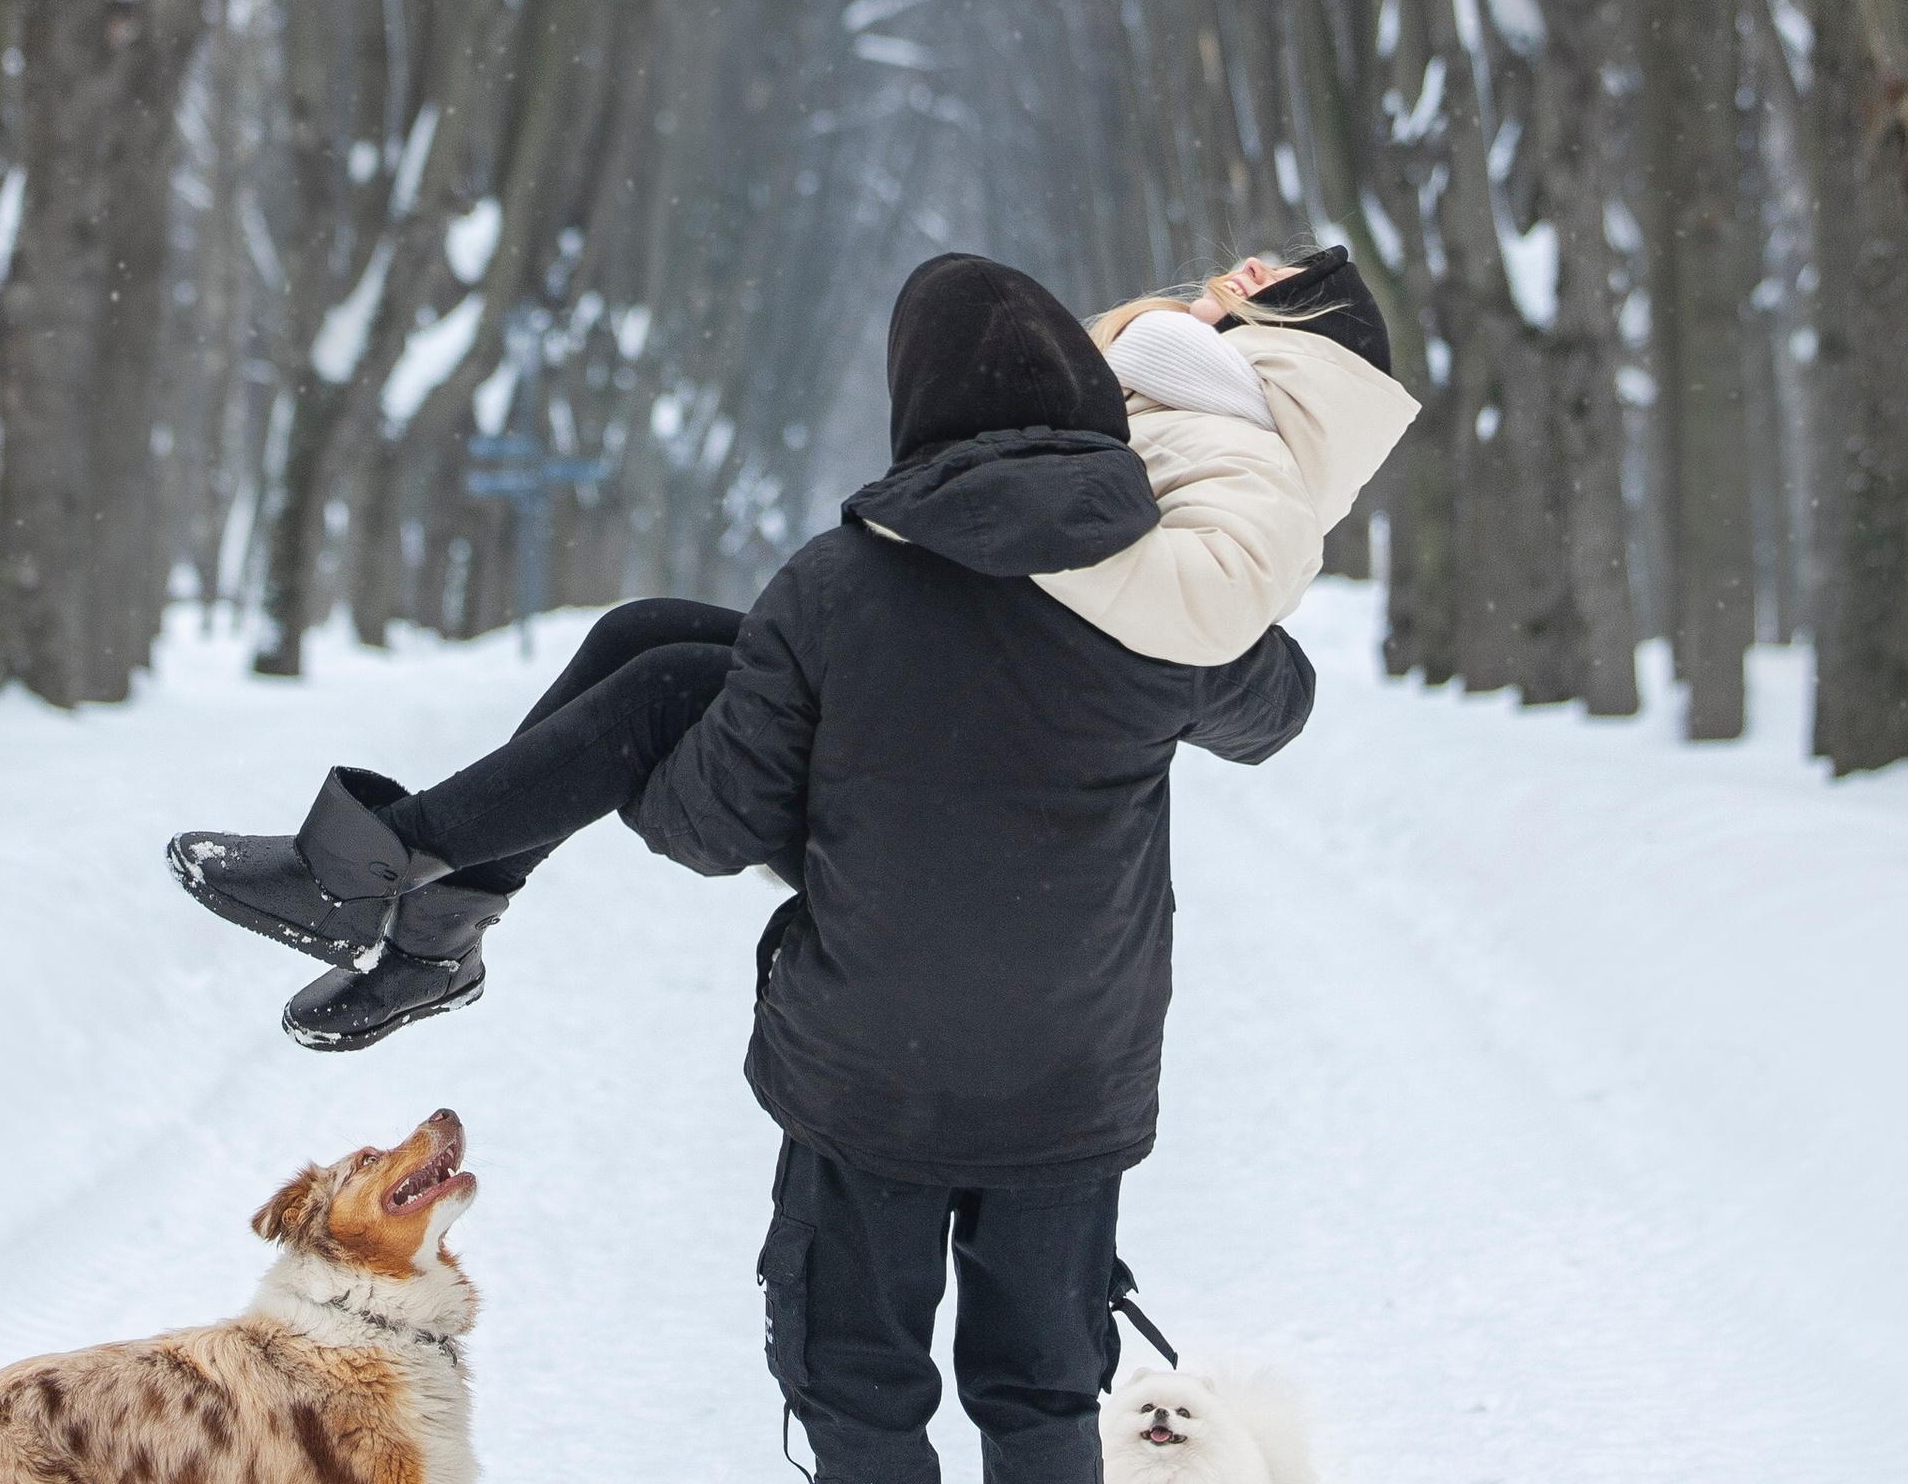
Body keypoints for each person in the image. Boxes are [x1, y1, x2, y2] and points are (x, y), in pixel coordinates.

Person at [173, 247, 1414, 1484]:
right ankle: (419, 903)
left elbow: (711, 830)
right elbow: (1272, 707)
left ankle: (412, 898)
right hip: (1069, 1067)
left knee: (859, 1384)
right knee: (1041, 1388)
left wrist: (746, 741)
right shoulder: (1168, 605)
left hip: (877, 1064)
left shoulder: (839, 584)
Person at [169, 248, 1411, 1051]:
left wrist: (1016, 534)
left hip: (965, 756)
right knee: (640, 633)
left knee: (660, 683)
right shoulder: (1182, 408)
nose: (1222, 267)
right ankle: (433, 930)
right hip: (949, 694)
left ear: (1293, 332)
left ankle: (373, 881)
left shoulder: (1238, 445)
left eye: (1264, 273)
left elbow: (1210, 622)